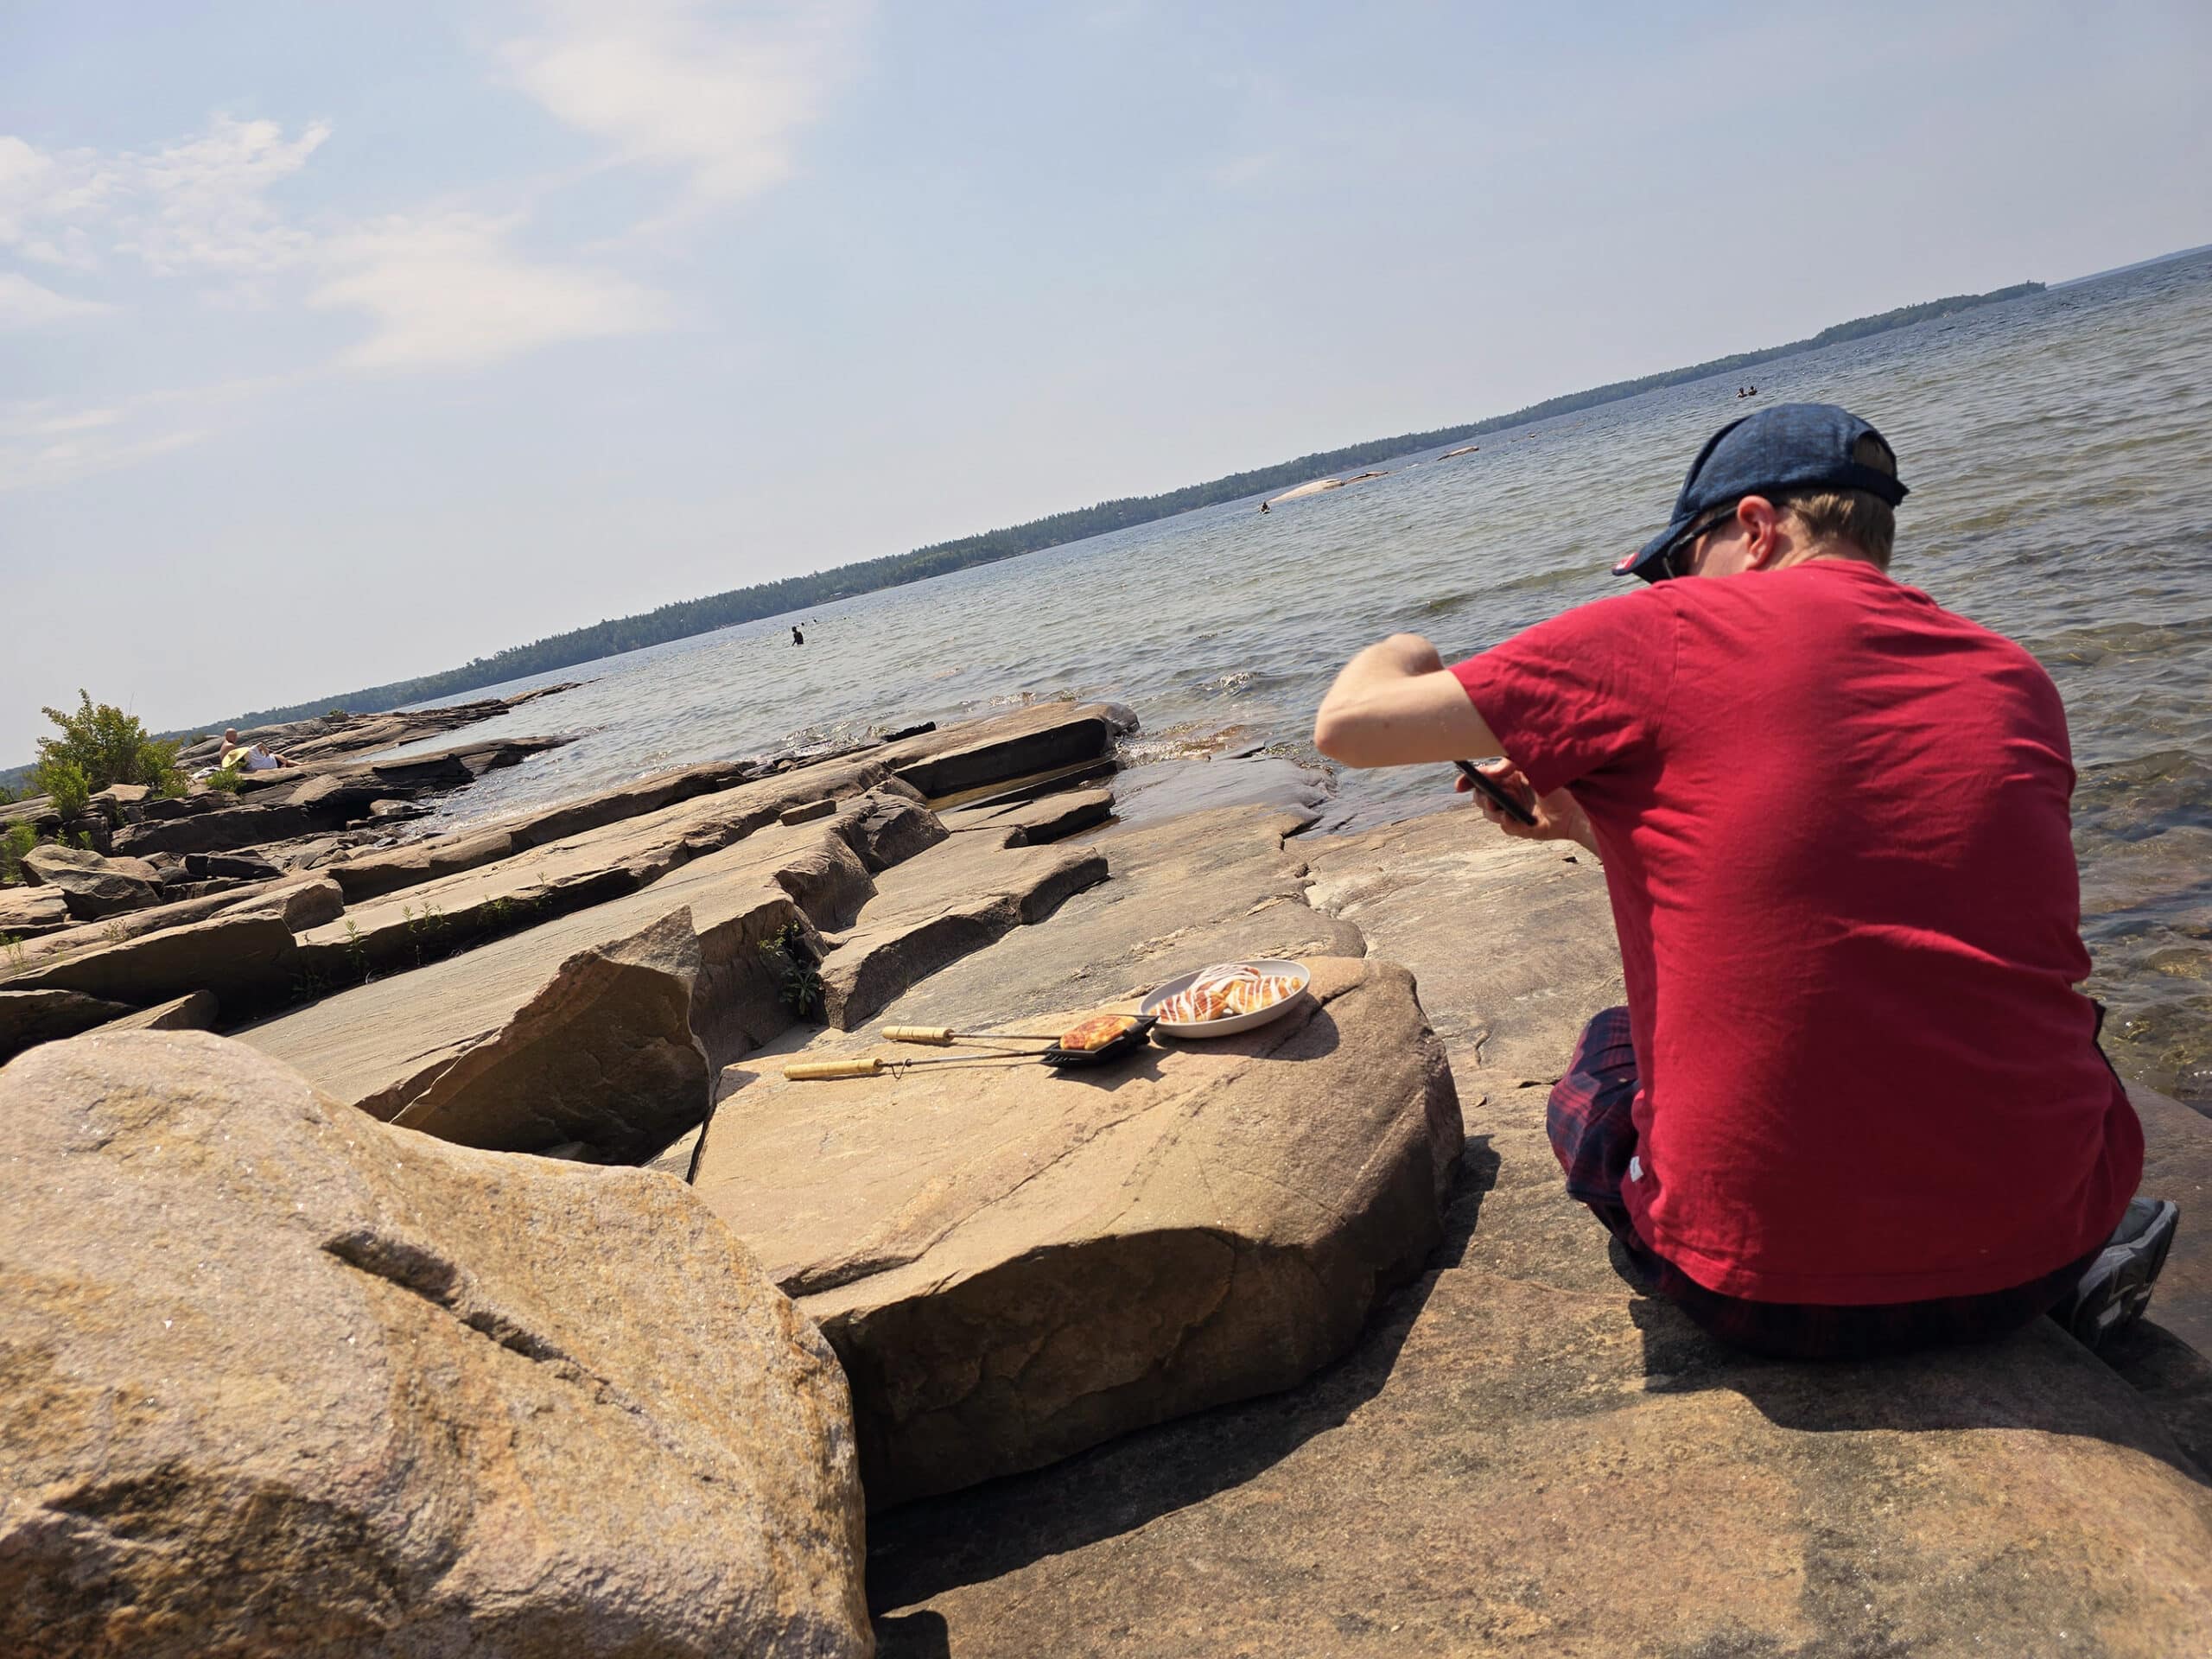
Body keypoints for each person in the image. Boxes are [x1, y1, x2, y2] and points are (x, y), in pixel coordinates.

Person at [1313, 402, 2175, 1360]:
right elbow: (1859, 881)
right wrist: (1594, 828)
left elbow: (1349, 727)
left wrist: (1407, 646)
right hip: (2045, 1248)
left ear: (1756, 529)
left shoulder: (1673, 628)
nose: (1677, 583)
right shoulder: (2014, 675)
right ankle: (2086, 1261)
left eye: (1682, 556)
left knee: (1606, 1060)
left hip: (1762, 1295)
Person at [218, 728, 296, 772]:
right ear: (227, 736)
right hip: (232, 766)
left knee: (284, 761)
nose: (235, 738)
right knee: (284, 761)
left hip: (230, 765)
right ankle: (299, 765)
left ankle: (299, 764)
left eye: (235, 735)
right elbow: (240, 757)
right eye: (233, 736)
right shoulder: (230, 746)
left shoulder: (225, 744)